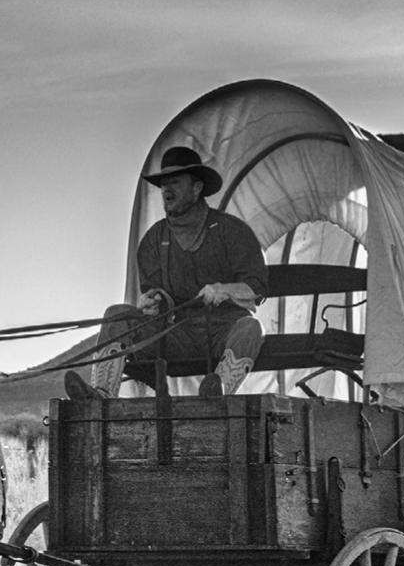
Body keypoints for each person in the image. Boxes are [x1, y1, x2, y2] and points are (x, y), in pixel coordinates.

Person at [64, 145, 267, 398]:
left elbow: (256, 288)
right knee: (116, 315)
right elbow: (155, 294)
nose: (167, 190)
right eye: (163, 185)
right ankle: (101, 395)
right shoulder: (153, 240)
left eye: (175, 183)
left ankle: (217, 393)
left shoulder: (232, 231)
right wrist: (152, 301)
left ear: (197, 187)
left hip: (222, 331)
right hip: (175, 333)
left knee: (251, 328)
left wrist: (223, 290)